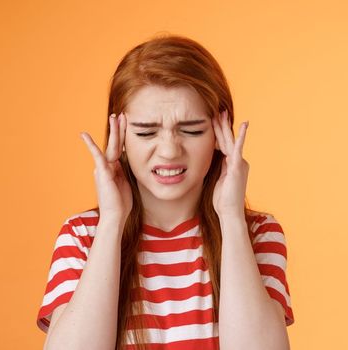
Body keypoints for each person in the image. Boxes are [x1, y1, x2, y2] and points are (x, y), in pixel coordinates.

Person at [36, 34, 294, 350]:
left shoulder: (257, 234)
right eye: (146, 132)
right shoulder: (82, 236)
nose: (170, 151)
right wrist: (112, 222)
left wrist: (231, 218)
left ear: (219, 133)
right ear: (120, 136)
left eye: (191, 130)